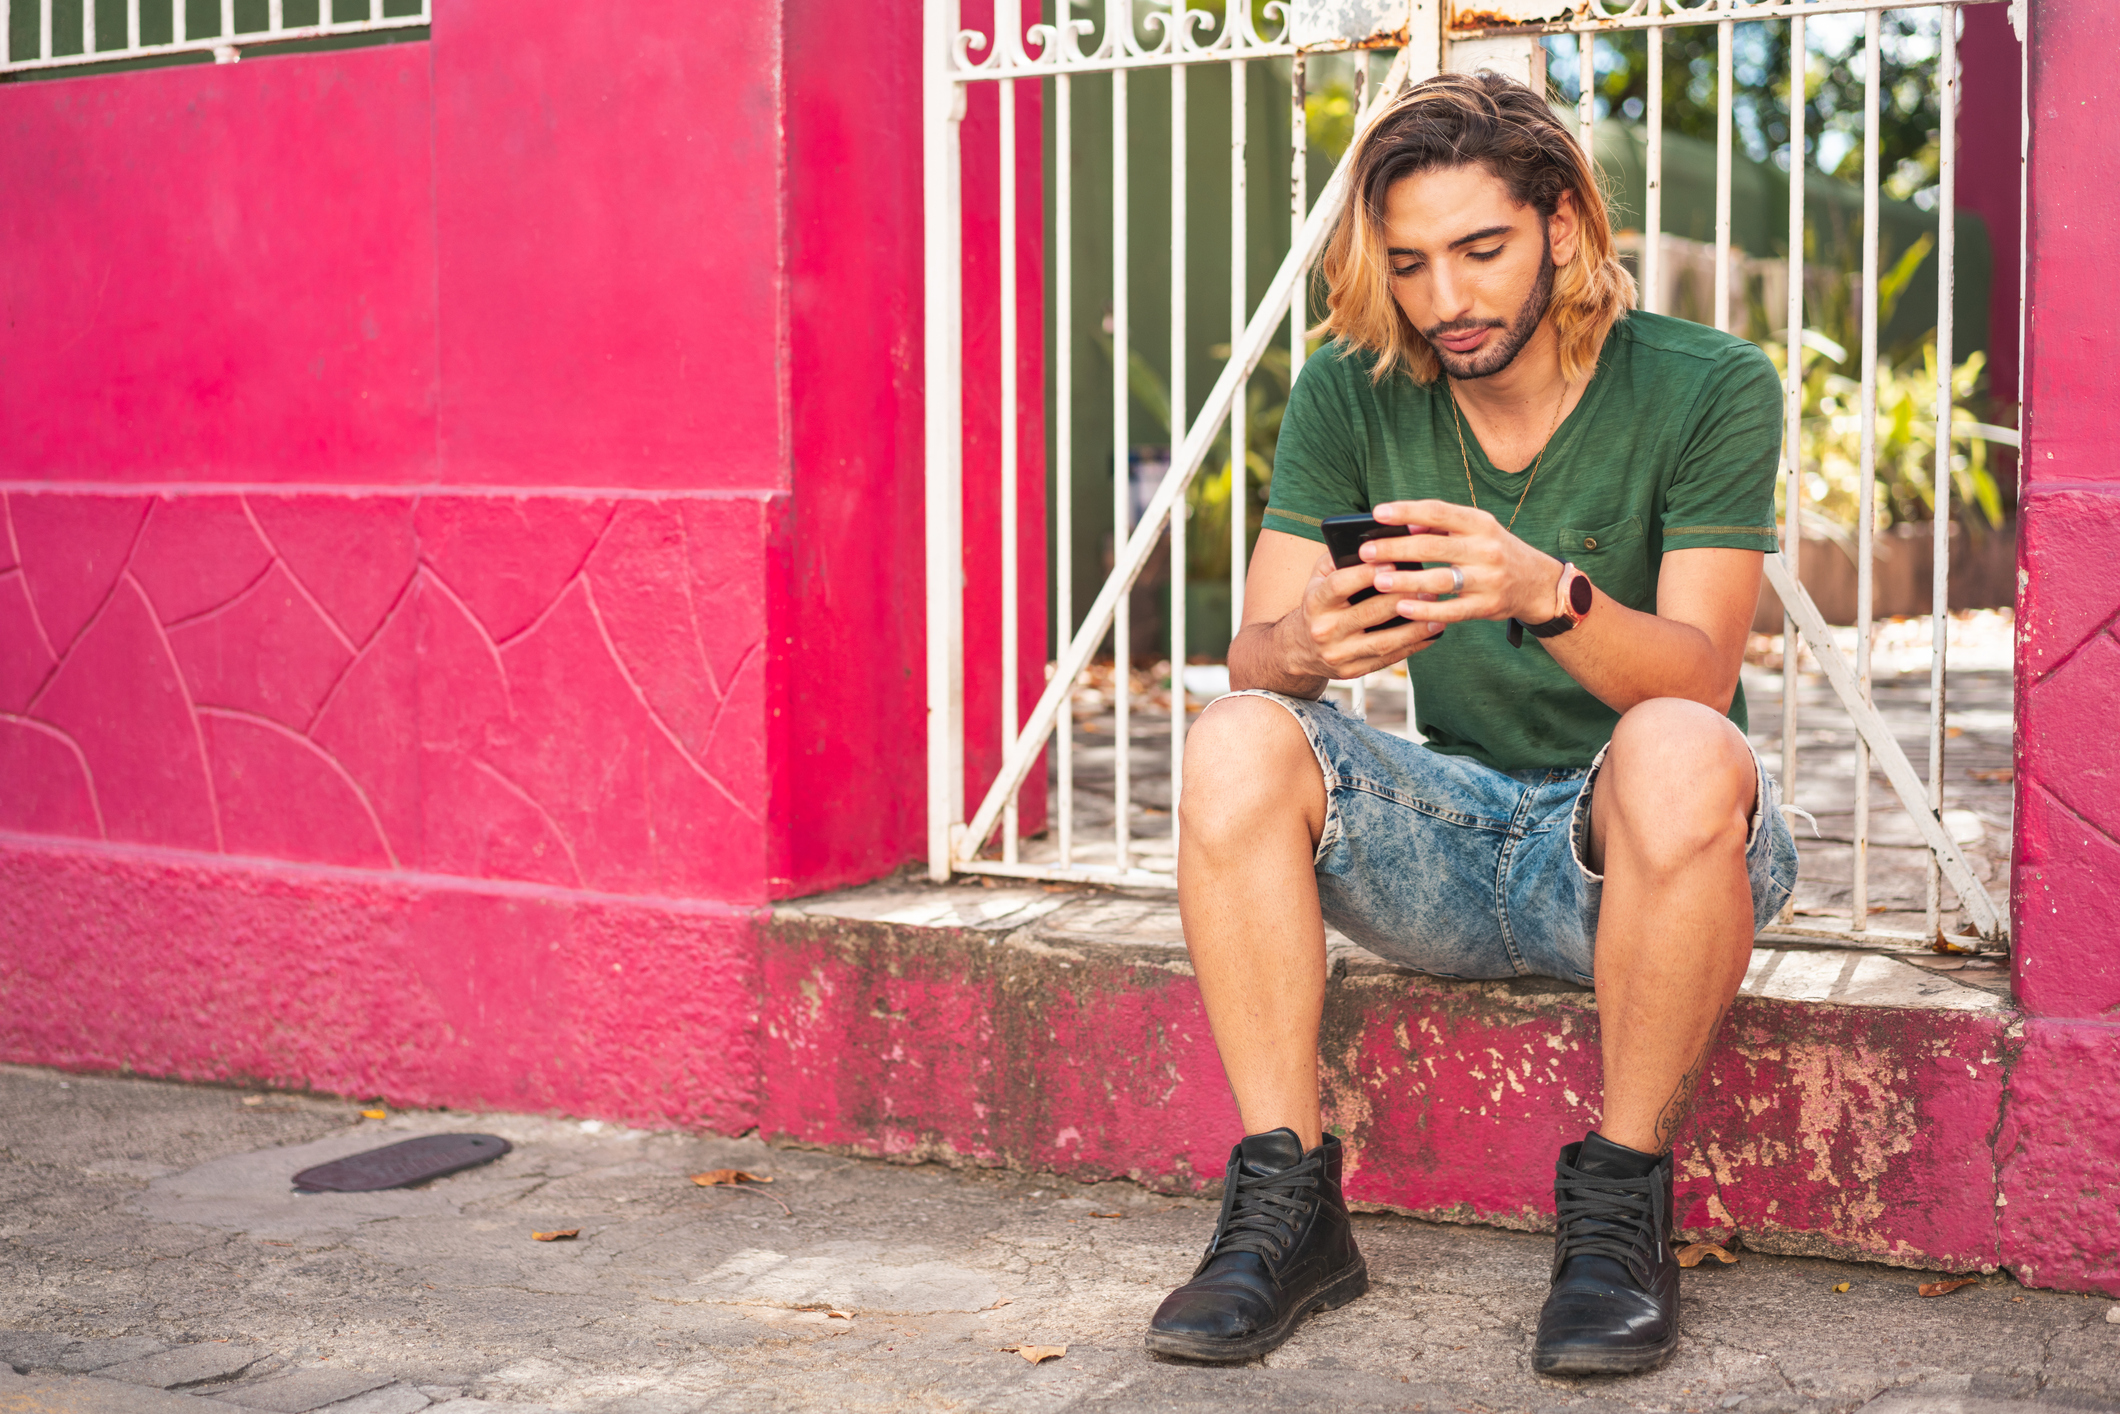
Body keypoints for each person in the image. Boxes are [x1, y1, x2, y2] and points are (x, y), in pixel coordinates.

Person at [1145, 70, 1798, 1375]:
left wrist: (1536, 588)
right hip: (1447, 835)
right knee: (1234, 731)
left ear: (1560, 223)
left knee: (1682, 749)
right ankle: (1287, 1204)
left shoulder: (1710, 383)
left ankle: (1618, 1207)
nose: (1447, 299)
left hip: (1632, 843)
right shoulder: (1355, 390)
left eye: (1481, 250)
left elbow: (1701, 673)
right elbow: (1255, 649)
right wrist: (1307, 645)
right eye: (1412, 263)